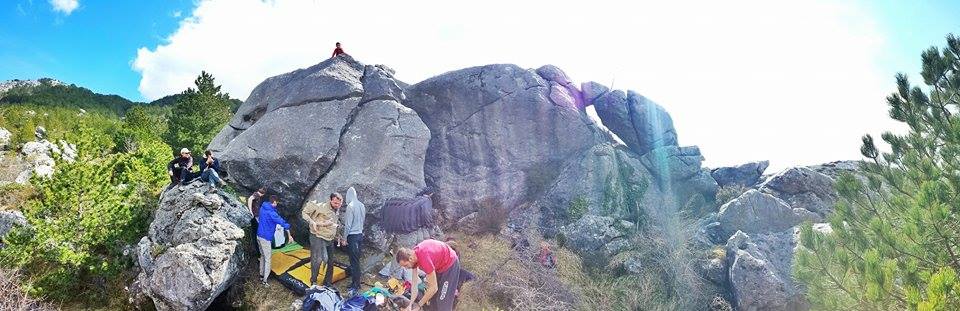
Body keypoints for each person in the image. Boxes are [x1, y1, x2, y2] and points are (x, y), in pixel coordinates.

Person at [396, 239, 462, 311]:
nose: (406, 268)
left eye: (405, 265)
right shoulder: (413, 256)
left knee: (442, 301)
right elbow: (414, 285)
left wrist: (419, 305)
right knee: (433, 299)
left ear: (410, 259)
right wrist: (410, 305)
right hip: (439, 266)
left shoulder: (424, 259)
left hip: (450, 265)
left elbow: (434, 288)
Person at [302, 192, 343, 286]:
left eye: (340, 204)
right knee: (318, 259)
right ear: (330, 200)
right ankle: (313, 281)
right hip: (318, 236)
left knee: (330, 261)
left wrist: (338, 236)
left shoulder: (337, 209)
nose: (338, 205)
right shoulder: (319, 205)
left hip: (330, 238)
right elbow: (304, 213)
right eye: (336, 203)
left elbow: (335, 223)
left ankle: (327, 282)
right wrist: (313, 222)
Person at [257, 195, 293, 285]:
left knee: (262, 256)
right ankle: (264, 281)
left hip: (258, 235)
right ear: (274, 202)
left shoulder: (263, 207)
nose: (277, 205)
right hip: (265, 238)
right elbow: (282, 222)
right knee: (268, 259)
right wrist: (289, 233)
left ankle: (261, 275)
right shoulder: (272, 213)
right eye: (276, 203)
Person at [340, 187, 366, 296]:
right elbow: (363, 219)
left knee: (354, 262)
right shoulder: (362, 205)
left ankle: (355, 285)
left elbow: (348, 225)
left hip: (353, 236)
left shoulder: (350, 206)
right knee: (356, 260)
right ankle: (356, 283)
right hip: (360, 235)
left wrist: (345, 238)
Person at [247, 187, 267, 256]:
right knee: (256, 234)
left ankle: (259, 252)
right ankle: (259, 252)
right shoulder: (256, 195)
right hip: (254, 217)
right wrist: (250, 211)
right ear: (263, 194)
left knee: (256, 233)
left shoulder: (257, 196)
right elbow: (250, 199)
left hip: (256, 217)